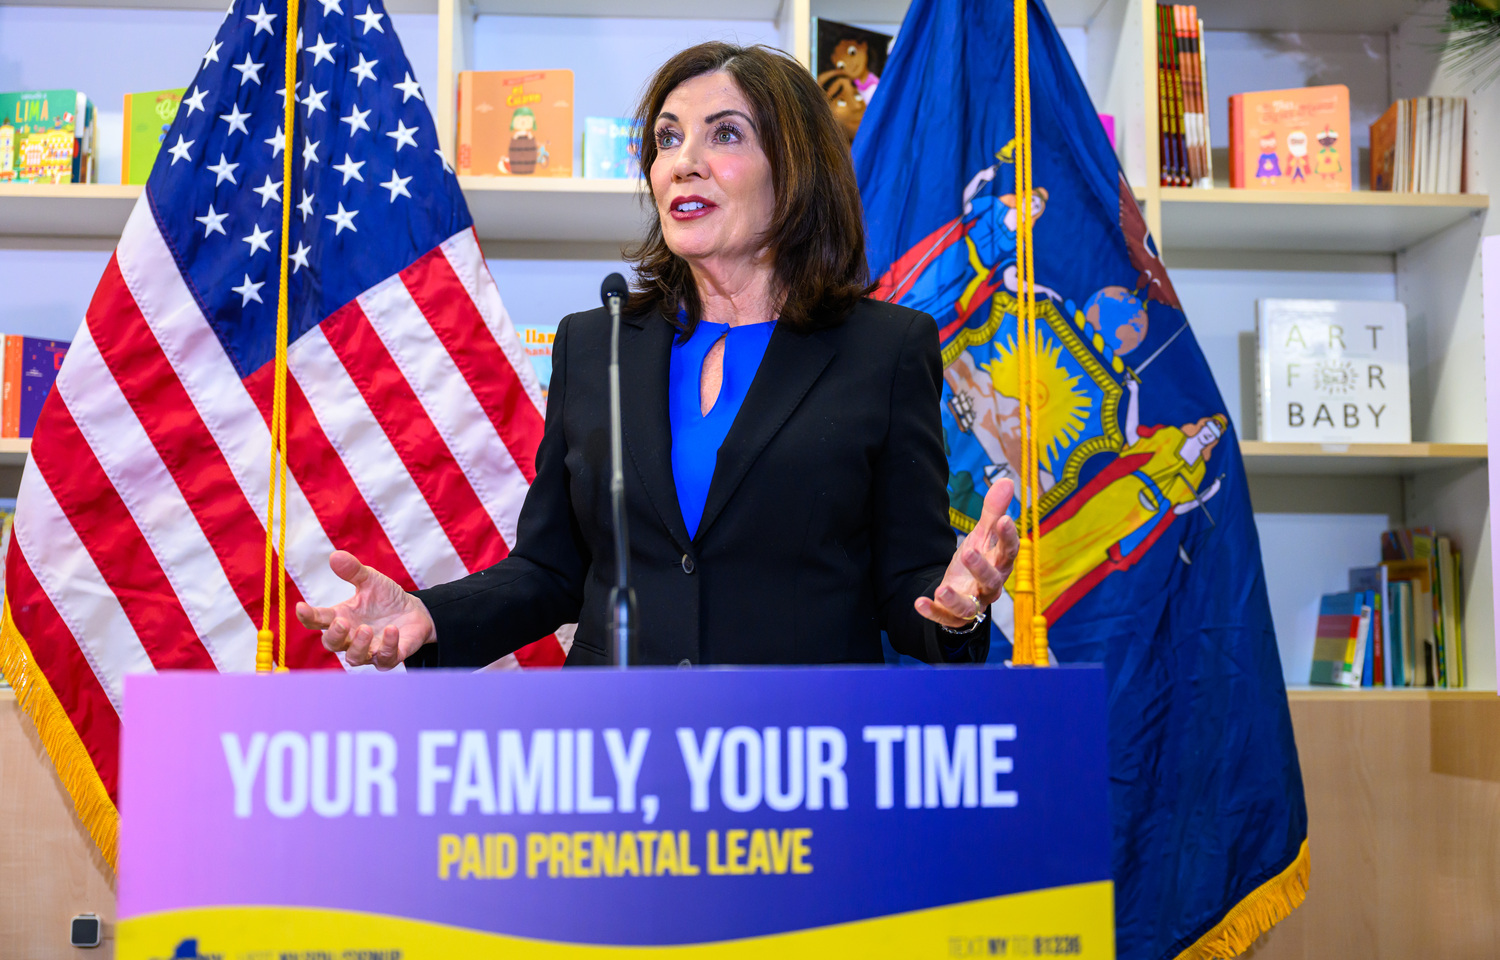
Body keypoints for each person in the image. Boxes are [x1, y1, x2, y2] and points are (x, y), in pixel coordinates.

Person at [295, 42, 1019, 669]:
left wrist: (958, 606)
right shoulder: (595, 344)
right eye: (667, 140)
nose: (683, 163)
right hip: (618, 751)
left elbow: (910, 592)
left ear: (794, 169)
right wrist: (428, 615)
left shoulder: (885, 351)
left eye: (724, 136)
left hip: (798, 759)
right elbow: (550, 570)